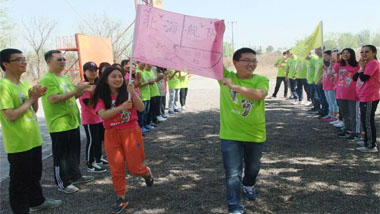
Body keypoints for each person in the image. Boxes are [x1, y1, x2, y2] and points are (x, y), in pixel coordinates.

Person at [0, 48, 62, 213]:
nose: (24, 62)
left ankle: (37, 202)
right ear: (5, 64)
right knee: (19, 181)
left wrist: (36, 98)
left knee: (34, 175)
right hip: (18, 142)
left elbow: (32, 110)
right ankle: (20, 210)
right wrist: (31, 99)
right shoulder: (3, 86)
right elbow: (10, 115)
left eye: (24, 58)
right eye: (18, 60)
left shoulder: (24, 84)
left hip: (33, 138)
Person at [91, 66, 154, 213]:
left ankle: (146, 172)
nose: (118, 79)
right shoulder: (101, 95)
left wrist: (132, 92)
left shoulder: (129, 91)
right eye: (113, 76)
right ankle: (121, 198)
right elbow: (103, 115)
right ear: (106, 78)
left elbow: (141, 108)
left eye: (120, 76)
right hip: (111, 134)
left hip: (130, 132)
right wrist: (121, 107)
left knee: (134, 168)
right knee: (116, 168)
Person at [219, 48, 269, 214]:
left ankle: (248, 185)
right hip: (230, 135)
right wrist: (218, 35)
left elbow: (260, 95)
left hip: (255, 135)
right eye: (246, 60)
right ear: (235, 62)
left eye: (254, 60)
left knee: (253, 169)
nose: (251, 64)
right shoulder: (226, 77)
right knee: (233, 173)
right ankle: (234, 206)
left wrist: (234, 87)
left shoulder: (261, 79)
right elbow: (212, 58)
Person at [40, 50, 94, 194]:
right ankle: (63, 182)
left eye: (64, 59)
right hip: (59, 124)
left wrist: (81, 91)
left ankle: (75, 176)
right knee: (61, 156)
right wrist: (76, 90)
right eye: (59, 59)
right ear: (49, 62)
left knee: (73, 152)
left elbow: (72, 96)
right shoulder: (47, 79)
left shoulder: (65, 78)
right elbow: (54, 99)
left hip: (72, 122)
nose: (63, 61)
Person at [79, 62, 107, 173]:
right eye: (91, 70)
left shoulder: (97, 83)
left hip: (99, 118)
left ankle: (98, 158)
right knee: (92, 141)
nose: (94, 72)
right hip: (89, 119)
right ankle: (90, 164)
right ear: (85, 72)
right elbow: (88, 102)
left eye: (95, 70)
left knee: (99, 139)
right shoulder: (83, 85)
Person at [353, 45, 379, 153]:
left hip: (370, 97)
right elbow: (355, 77)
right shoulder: (366, 64)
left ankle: (371, 145)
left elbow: (364, 77)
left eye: (367, 52)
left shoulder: (373, 63)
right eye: (362, 52)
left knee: (368, 121)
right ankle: (367, 140)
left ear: (374, 53)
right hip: (364, 96)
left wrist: (362, 68)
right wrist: (361, 68)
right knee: (364, 120)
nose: (364, 54)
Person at [333, 48, 360, 139]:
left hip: (353, 94)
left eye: (347, 53)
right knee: (345, 113)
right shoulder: (339, 65)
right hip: (340, 93)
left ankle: (355, 132)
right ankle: (347, 129)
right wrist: (334, 61)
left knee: (353, 114)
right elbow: (330, 72)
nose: (345, 54)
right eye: (343, 53)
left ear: (352, 54)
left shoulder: (357, 66)